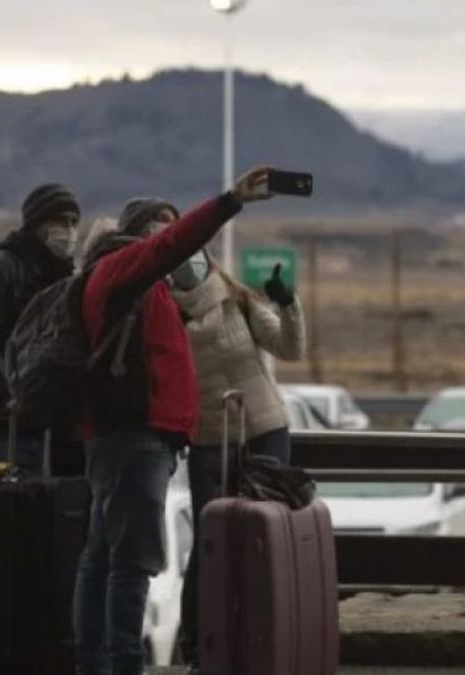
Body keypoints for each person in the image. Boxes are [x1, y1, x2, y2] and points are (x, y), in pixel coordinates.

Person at [72, 167, 272, 675]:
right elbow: (172, 245)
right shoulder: (124, 267)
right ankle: (122, 664)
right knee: (130, 564)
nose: (167, 235)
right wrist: (230, 201)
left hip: (127, 437)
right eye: (159, 226)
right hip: (135, 438)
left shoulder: (124, 279)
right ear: (139, 234)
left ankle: (94, 663)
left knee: (102, 554)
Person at [173, 251, 306, 668]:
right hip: (209, 439)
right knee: (211, 542)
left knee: (267, 536)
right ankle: (200, 647)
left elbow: (290, 348)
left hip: (265, 430)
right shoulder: (162, 313)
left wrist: (288, 304)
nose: (189, 264)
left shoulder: (238, 299)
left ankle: (268, 639)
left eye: (195, 254)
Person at [0, 183, 80, 474]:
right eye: (59, 221)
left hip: (41, 426)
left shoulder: (64, 280)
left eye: (74, 222)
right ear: (36, 223)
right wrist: (14, 394)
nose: (69, 231)